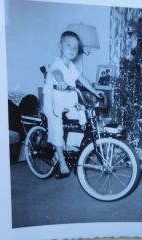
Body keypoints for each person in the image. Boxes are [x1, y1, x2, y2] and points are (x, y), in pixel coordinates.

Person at [43, 31, 103, 176]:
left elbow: (82, 79)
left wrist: (95, 92)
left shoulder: (72, 66)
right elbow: (56, 73)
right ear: (60, 45)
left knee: (82, 118)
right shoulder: (57, 65)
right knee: (57, 128)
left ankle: (70, 148)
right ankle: (62, 162)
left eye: (75, 47)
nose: (72, 49)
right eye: (68, 45)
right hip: (54, 105)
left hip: (69, 103)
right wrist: (61, 81)